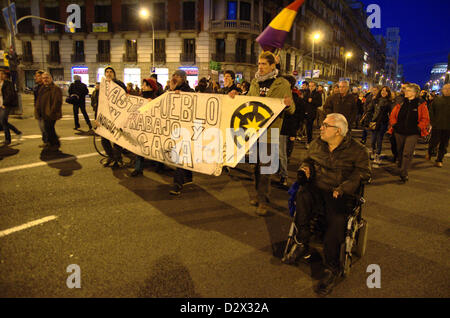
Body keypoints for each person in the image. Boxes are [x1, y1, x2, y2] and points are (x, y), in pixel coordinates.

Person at [282, 113, 370, 296]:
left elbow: (363, 173)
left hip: (340, 193)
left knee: (336, 222)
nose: (320, 127)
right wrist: (304, 169)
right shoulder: (317, 144)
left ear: (338, 131)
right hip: (317, 188)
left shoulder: (357, 150)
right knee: (302, 196)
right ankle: (302, 242)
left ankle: (332, 268)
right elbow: (308, 160)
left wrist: (344, 187)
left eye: (325, 125)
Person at [244, 51, 294, 216]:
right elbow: (247, 102)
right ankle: (259, 195)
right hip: (254, 131)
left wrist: (287, 104)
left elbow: (292, 109)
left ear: (273, 65)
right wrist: (234, 97)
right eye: (259, 64)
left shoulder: (282, 84)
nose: (261, 67)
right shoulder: (255, 82)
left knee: (265, 168)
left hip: (271, 131)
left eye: (264, 64)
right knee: (255, 167)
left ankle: (263, 201)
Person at [388, 83, 430, 183]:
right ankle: (400, 166)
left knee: (407, 152)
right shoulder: (401, 102)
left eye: (409, 90)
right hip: (399, 132)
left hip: (412, 133)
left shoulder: (421, 104)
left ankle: (404, 172)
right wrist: (394, 125)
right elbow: (393, 116)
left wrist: (419, 128)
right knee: (400, 151)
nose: (406, 92)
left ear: (415, 93)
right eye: (406, 90)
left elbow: (425, 118)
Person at [169, 70, 195, 195]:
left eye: (178, 76)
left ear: (184, 78)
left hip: (186, 129)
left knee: (180, 154)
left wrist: (182, 95)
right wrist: (171, 91)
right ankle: (188, 178)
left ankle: (177, 183)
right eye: (174, 75)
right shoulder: (171, 89)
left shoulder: (190, 91)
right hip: (175, 128)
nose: (175, 77)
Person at [131, 77, 161, 177]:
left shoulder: (156, 98)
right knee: (139, 147)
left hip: (151, 127)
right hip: (141, 126)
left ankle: (159, 165)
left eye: (145, 85)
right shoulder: (140, 97)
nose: (142, 86)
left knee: (155, 146)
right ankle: (138, 168)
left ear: (151, 87)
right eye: (143, 84)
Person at [99, 67, 127, 169]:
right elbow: (98, 102)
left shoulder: (119, 84)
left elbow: (126, 98)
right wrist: (97, 117)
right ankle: (111, 157)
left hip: (117, 116)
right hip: (106, 116)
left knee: (117, 140)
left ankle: (117, 159)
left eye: (111, 72)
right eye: (107, 72)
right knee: (104, 139)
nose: (109, 73)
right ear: (105, 74)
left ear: (114, 74)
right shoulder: (102, 86)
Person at [34, 72, 63, 151]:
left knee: (49, 128)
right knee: (48, 129)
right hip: (43, 113)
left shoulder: (55, 88)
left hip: (50, 114)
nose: (45, 79)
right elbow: (38, 100)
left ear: (51, 78)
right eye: (43, 78)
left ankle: (55, 143)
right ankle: (51, 143)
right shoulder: (42, 88)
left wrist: (51, 112)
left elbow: (57, 102)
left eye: (47, 77)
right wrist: (37, 110)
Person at [426, 83, 450, 167]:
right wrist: (432, 122)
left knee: (444, 144)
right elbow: (431, 111)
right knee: (434, 142)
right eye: (445, 89)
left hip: (447, 127)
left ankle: (439, 159)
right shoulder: (437, 99)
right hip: (437, 125)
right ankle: (429, 151)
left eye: (448, 89)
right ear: (442, 90)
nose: (447, 90)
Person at [369, 86, 392, 165]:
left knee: (379, 139)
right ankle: (372, 150)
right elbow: (370, 110)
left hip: (382, 123)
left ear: (388, 93)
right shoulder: (376, 100)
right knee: (372, 139)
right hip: (374, 122)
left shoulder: (389, 102)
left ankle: (377, 155)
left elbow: (390, 113)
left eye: (386, 91)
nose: (384, 92)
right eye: (382, 90)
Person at [0, 69, 22, 146]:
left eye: (2, 74)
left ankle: (7, 139)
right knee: (3, 122)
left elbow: (10, 94)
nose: (0, 75)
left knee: (3, 121)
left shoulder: (8, 83)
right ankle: (17, 131)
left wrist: (5, 103)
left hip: (5, 105)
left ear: (5, 75)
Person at [304, 81, 322, 148]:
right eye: (310, 86)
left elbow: (320, 103)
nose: (310, 87)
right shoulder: (307, 92)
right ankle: (308, 139)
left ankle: (309, 140)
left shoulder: (317, 94)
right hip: (305, 112)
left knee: (309, 126)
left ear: (315, 87)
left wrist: (312, 101)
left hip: (312, 112)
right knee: (307, 126)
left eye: (312, 86)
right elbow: (304, 100)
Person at [33, 70, 47, 147]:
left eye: (38, 76)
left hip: (46, 111)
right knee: (42, 128)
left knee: (45, 127)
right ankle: (47, 141)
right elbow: (36, 100)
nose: (36, 78)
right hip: (39, 111)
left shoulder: (46, 87)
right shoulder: (36, 88)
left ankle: (49, 142)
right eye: (36, 76)